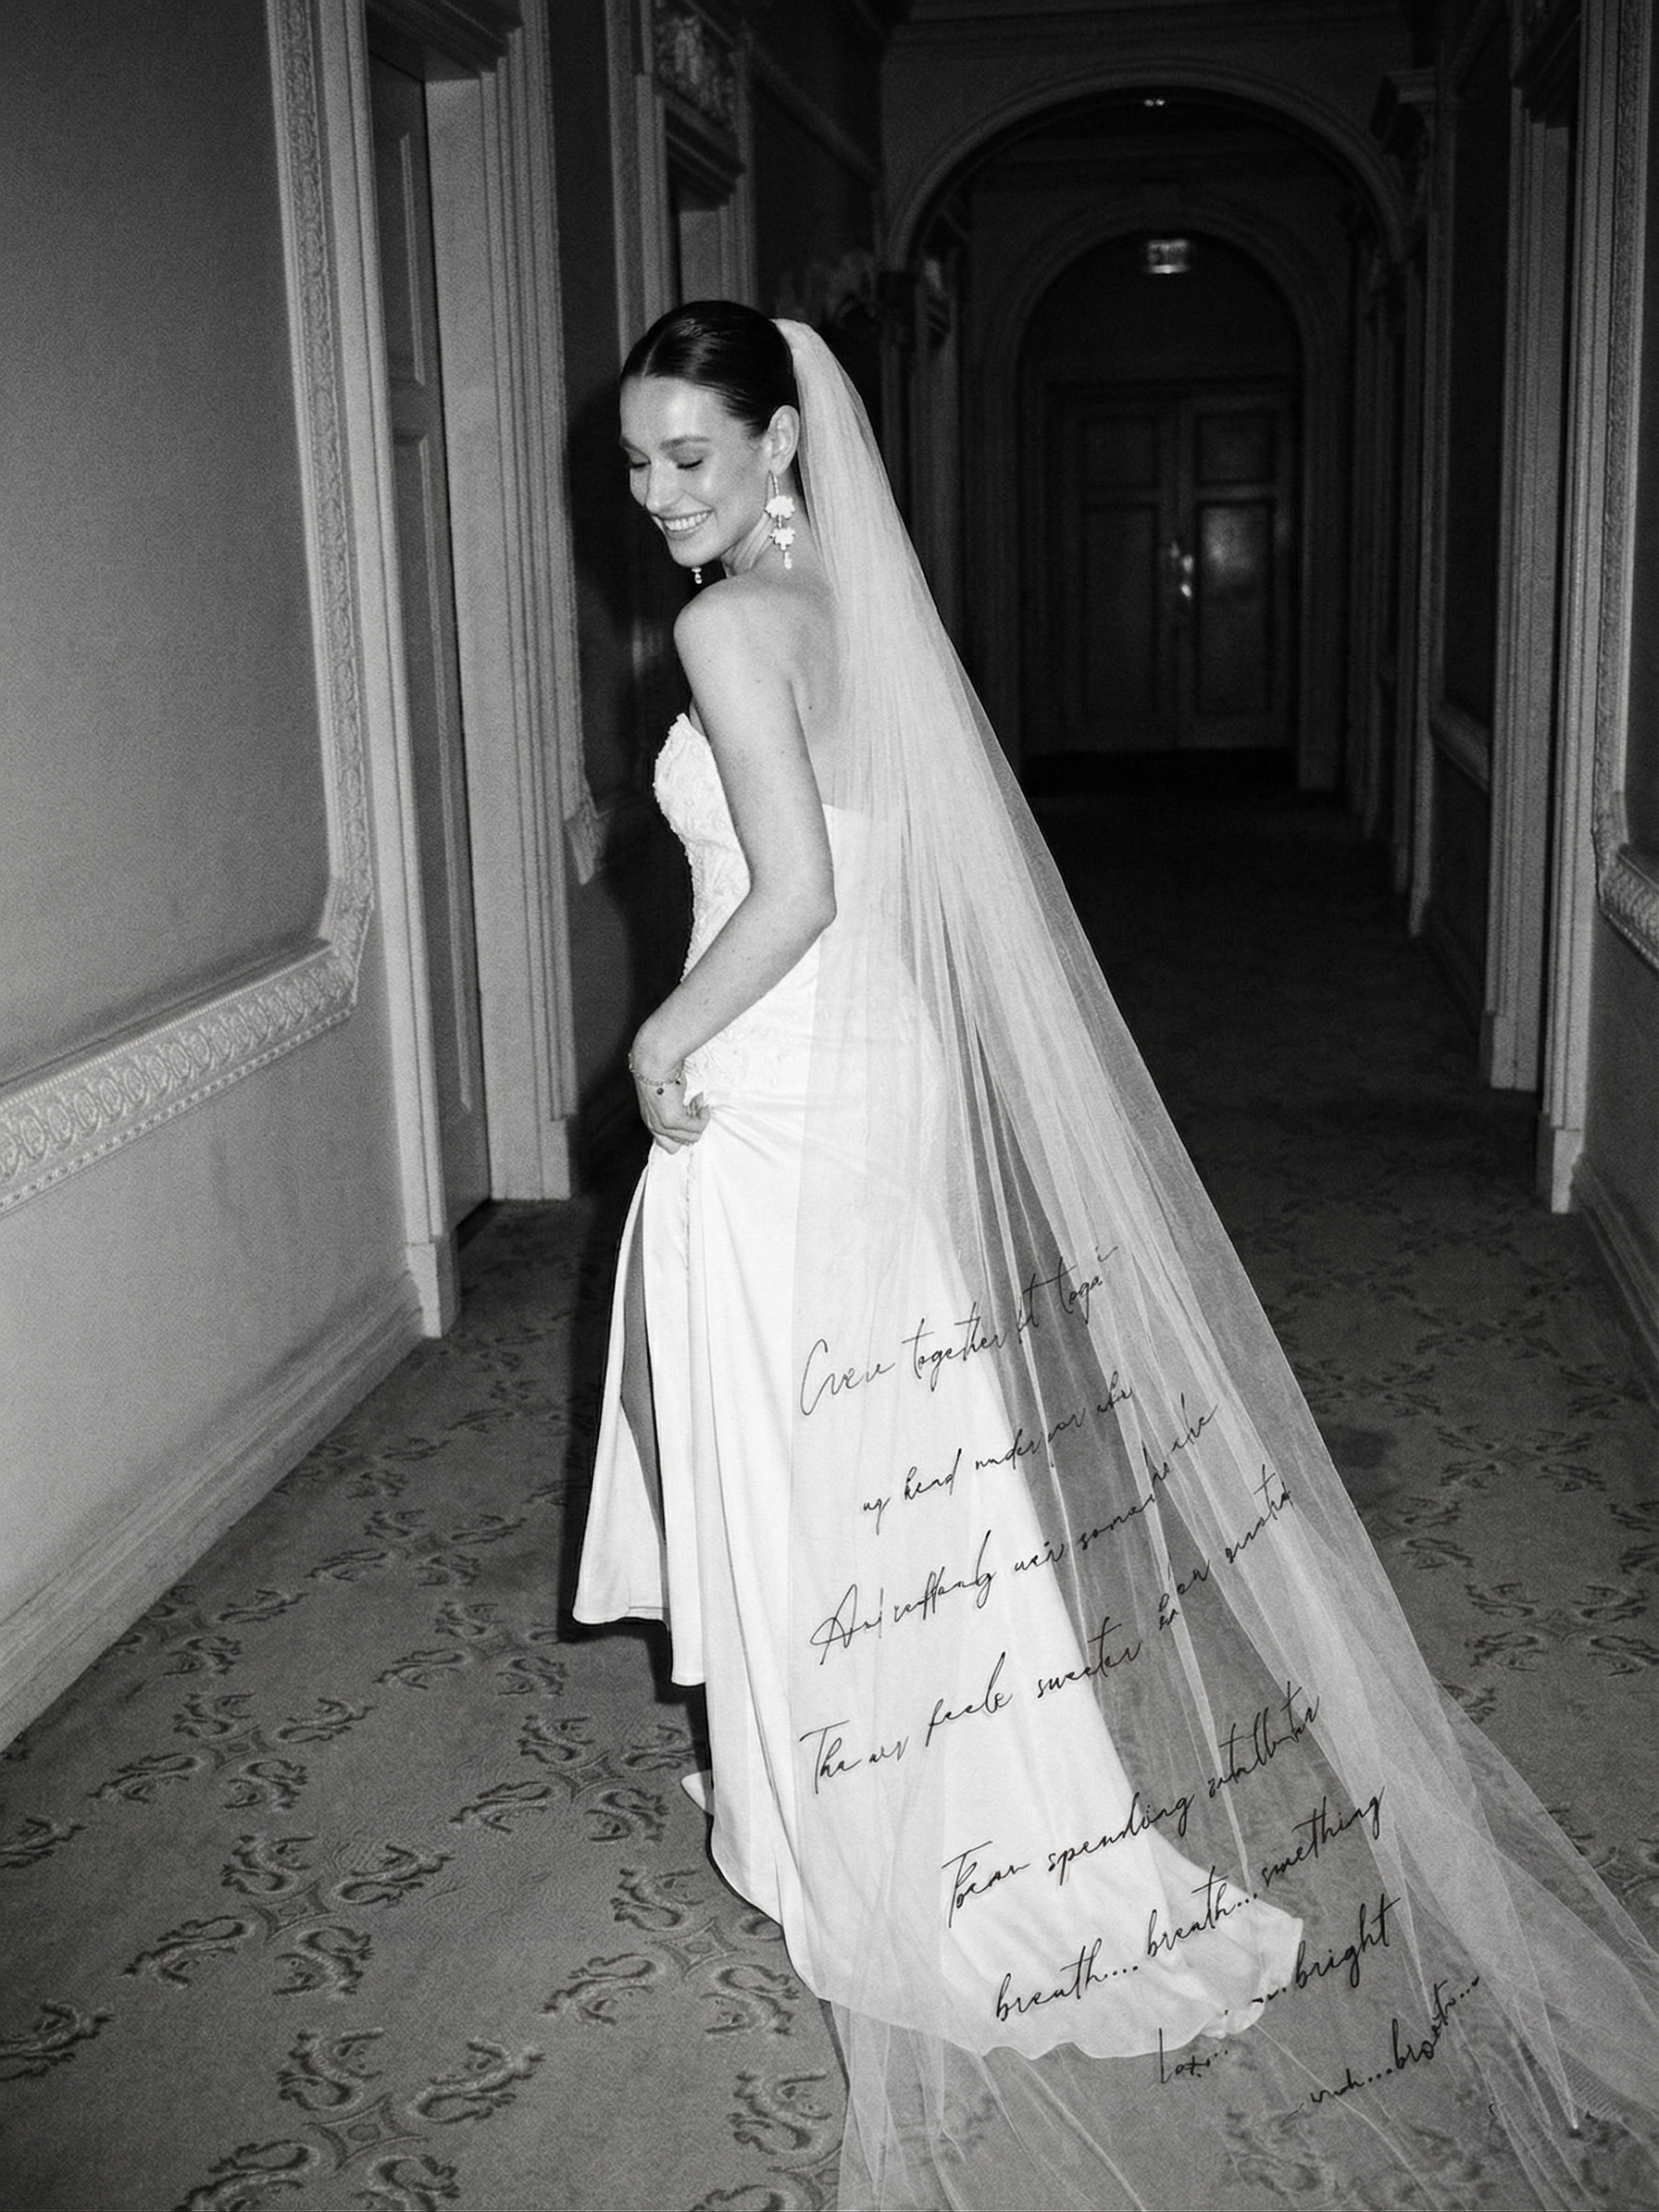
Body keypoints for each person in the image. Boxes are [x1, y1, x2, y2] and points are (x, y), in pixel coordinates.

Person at [574, 301, 1659, 2211]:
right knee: (877, 1446)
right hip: (871, 1068)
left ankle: (837, 1808)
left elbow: (796, 890)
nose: (660, 493)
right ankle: (865, 1786)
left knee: (792, 1440)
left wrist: (661, 1040)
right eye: (640, 459)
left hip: (777, 1082)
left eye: (691, 454)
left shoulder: (728, 626)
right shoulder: (854, 619)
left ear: (779, 447)